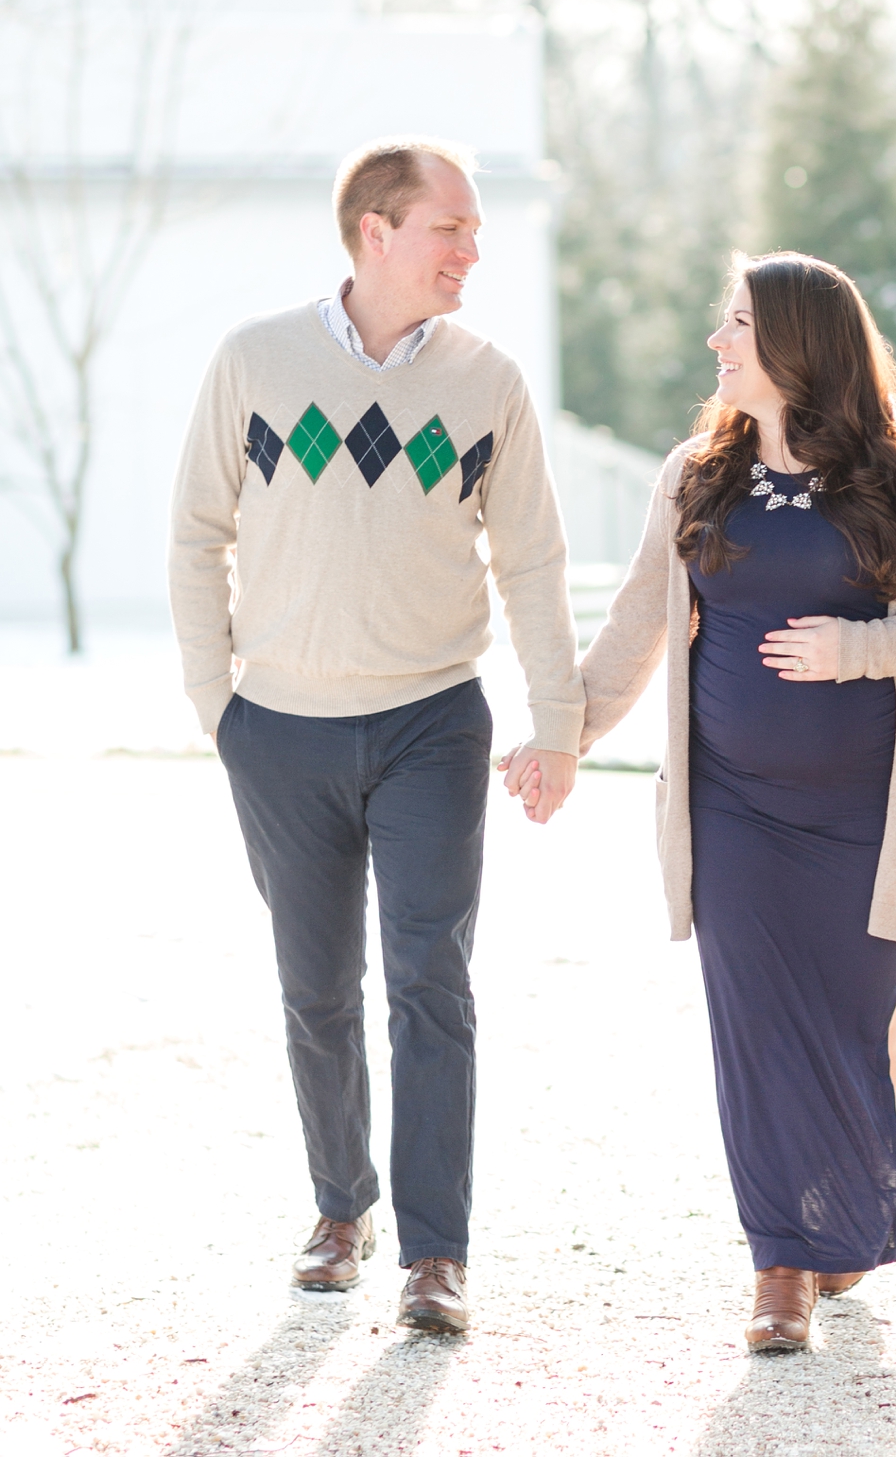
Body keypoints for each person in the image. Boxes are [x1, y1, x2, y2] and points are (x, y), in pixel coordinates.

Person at [506, 251, 896, 1352]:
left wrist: (858, 648)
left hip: (871, 818)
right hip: (730, 811)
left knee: (850, 1019)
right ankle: (781, 1265)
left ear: (799, 342)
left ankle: (845, 1226)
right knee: (757, 1028)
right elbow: (639, 622)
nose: (718, 342)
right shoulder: (697, 474)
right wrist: (564, 732)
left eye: (737, 324)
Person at [169, 136, 582, 1335]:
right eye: (451, 227)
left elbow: (534, 561)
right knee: (315, 989)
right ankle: (339, 1212)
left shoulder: (488, 381)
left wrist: (557, 722)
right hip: (279, 730)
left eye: (476, 230)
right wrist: (217, 704)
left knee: (430, 982)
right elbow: (197, 534)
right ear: (376, 231)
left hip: (430, 723)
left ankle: (436, 1255)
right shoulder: (255, 361)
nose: (471, 250)